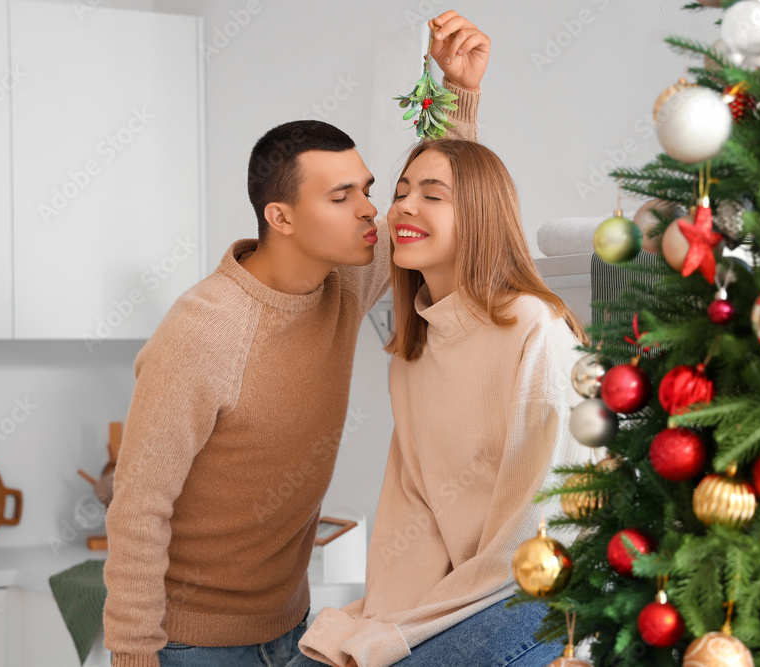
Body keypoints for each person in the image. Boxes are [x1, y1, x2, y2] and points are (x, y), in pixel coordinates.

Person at [102, 12, 491, 667]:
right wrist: (134, 657)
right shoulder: (203, 332)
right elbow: (137, 509)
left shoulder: (343, 284)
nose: (371, 208)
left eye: (367, 189)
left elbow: (433, 207)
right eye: (342, 196)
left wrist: (458, 94)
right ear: (280, 216)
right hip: (191, 643)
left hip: (292, 625)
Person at [289, 140, 592, 667]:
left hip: (546, 588)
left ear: (480, 215)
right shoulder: (414, 352)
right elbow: (412, 506)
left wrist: (421, 626)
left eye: (432, 195)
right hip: (470, 590)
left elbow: (546, 524)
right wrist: (387, 620)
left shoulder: (535, 329)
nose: (403, 205)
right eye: (401, 191)